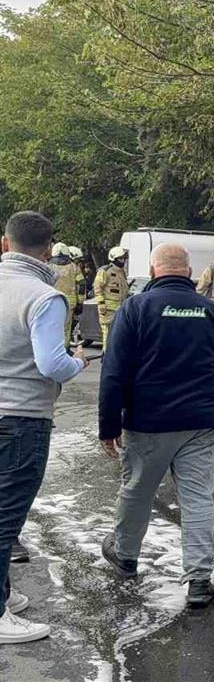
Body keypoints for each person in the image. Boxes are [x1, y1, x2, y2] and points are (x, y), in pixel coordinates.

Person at [97, 243, 214, 609]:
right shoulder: (211, 311)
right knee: (196, 499)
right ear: (189, 272)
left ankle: (126, 555)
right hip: (199, 423)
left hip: (148, 423)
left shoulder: (135, 308)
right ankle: (198, 580)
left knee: (137, 490)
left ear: (153, 269)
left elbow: (114, 372)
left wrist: (108, 425)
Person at [0, 211, 88, 643]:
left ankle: (4, 594)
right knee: (4, 517)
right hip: (22, 418)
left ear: (5, 244)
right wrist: (78, 362)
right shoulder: (43, 297)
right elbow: (51, 363)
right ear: (49, 249)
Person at [48, 243, 84, 348]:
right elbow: (81, 286)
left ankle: (54, 350)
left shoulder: (48, 267)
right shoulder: (74, 268)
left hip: (52, 302)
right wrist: (80, 303)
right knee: (66, 329)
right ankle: (65, 350)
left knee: (52, 327)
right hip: (69, 304)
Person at [93, 247, 129, 347]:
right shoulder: (105, 271)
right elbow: (97, 287)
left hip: (120, 308)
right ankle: (106, 356)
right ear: (114, 258)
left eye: (123, 259)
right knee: (108, 334)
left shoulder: (121, 272)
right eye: (120, 259)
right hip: (108, 309)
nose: (123, 261)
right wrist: (101, 304)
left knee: (117, 334)